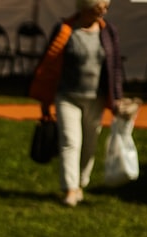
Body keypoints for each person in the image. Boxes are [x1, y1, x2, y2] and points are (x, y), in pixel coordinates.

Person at [29, 0, 124, 207]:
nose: (105, 10)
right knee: (71, 141)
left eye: (106, 6)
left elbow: (115, 67)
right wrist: (45, 100)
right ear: (88, 6)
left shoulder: (108, 32)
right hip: (67, 96)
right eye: (101, 5)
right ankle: (70, 189)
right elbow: (49, 63)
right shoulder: (65, 29)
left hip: (96, 98)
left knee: (89, 144)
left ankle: (81, 182)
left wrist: (116, 99)